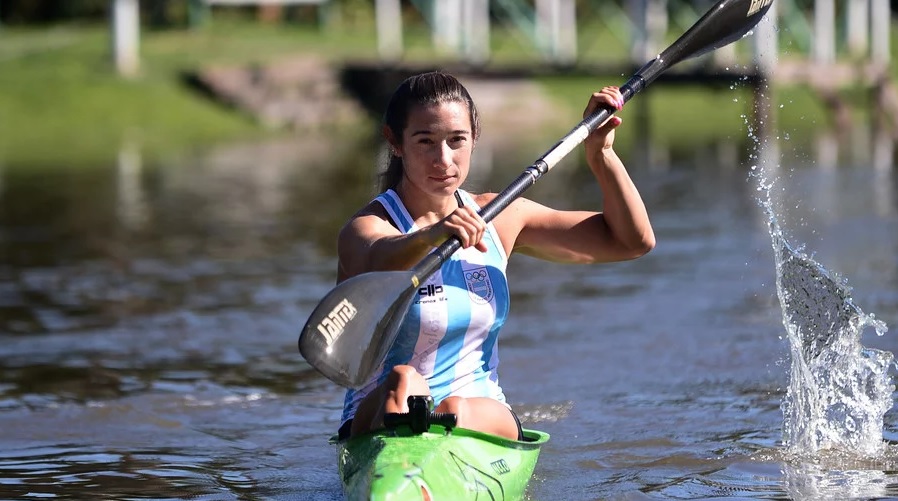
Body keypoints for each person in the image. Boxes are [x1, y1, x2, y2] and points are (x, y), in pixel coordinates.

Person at [336, 71, 654, 441]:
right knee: (403, 382)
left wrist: (602, 154)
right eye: (425, 141)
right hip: (384, 415)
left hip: (478, 414)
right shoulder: (367, 228)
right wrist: (434, 234)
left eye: (457, 140)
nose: (443, 158)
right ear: (395, 142)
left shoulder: (500, 216)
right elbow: (378, 259)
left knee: (453, 407)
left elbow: (631, 241)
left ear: (474, 141)